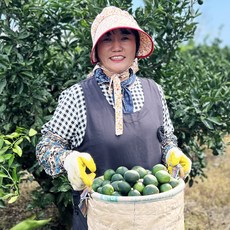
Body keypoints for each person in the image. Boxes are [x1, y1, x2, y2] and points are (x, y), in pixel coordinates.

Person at [36, 6, 192, 229]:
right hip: (101, 219)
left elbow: (165, 138)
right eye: (107, 39)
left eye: (125, 37)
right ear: (97, 49)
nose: (117, 47)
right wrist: (67, 160)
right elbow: (45, 148)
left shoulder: (154, 90)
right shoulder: (77, 96)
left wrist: (171, 152)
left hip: (153, 218)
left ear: (137, 45)